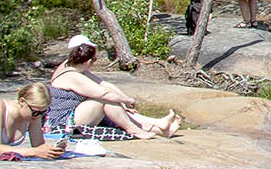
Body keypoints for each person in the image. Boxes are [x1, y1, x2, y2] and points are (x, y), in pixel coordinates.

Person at [48, 36, 181, 140]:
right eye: (94, 60)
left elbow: (104, 85)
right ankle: (135, 130)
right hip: (64, 121)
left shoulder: (74, 66)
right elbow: (104, 94)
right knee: (106, 101)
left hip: (76, 112)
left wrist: (124, 100)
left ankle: (160, 126)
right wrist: (127, 100)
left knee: (118, 109)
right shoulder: (72, 76)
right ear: (88, 61)